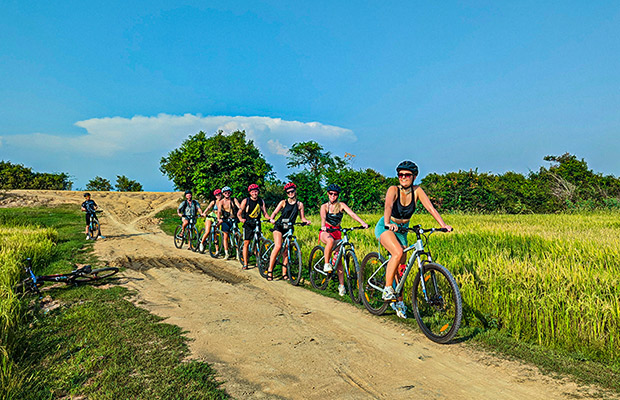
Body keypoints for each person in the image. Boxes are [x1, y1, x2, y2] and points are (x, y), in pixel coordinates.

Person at [376, 161, 452, 317]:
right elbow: (388, 206)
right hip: (387, 227)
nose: (403, 177)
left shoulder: (417, 191)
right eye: (400, 174)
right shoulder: (393, 189)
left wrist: (443, 225)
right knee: (397, 253)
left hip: (402, 231)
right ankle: (387, 288)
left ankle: (399, 301)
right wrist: (387, 222)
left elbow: (430, 208)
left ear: (414, 177)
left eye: (407, 175)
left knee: (401, 269)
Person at [319, 184, 369, 296]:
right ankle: (326, 263)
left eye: (335, 194)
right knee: (330, 241)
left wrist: (362, 223)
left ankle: (341, 286)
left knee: (339, 260)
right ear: (328, 194)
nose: (333, 196)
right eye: (331, 194)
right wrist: (323, 225)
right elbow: (323, 217)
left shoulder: (341, 205)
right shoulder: (324, 206)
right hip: (326, 231)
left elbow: (352, 214)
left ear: (338, 195)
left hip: (337, 232)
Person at [266, 182, 311, 281]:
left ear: (295, 191)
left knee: (286, 251)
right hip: (279, 226)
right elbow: (275, 212)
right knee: (278, 246)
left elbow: (302, 217)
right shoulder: (283, 202)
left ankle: (284, 273)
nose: (290, 193)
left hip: (289, 227)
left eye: (292, 191)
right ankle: (270, 270)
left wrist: (306, 221)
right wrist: (272, 219)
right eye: (288, 192)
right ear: (286, 193)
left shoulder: (299, 204)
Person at [237, 184, 270, 270]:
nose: (254, 193)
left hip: (257, 223)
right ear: (250, 193)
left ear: (258, 192)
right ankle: (245, 263)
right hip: (248, 223)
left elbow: (265, 213)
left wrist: (270, 219)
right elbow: (239, 213)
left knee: (257, 243)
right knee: (246, 243)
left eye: (256, 191)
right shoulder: (246, 201)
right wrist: (241, 219)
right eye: (252, 192)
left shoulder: (261, 201)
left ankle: (257, 261)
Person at [217, 186, 241, 259]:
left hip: (234, 218)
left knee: (236, 235)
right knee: (225, 236)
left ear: (230, 192)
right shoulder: (221, 202)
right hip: (226, 220)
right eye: (225, 193)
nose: (227, 194)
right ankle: (226, 253)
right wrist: (219, 219)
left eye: (228, 192)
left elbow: (239, 207)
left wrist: (241, 213)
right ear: (223, 194)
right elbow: (219, 211)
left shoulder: (234, 200)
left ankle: (238, 253)